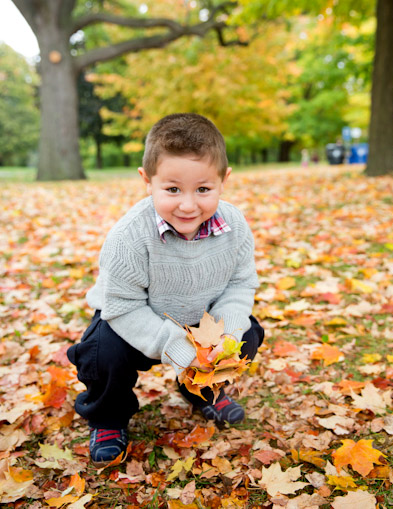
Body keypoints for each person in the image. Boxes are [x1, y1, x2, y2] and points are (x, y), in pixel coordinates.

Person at [67, 113, 264, 466]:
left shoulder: (234, 226)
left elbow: (240, 283)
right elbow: (122, 307)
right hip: (134, 322)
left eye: (203, 189)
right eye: (172, 189)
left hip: (202, 321)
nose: (188, 205)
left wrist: (225, 335)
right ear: (147, 180)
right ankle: (109, 418)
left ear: (224, 180)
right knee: (101, 352)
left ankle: (205, 390)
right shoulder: (129, 237)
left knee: (248, 331)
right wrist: (175, 346)